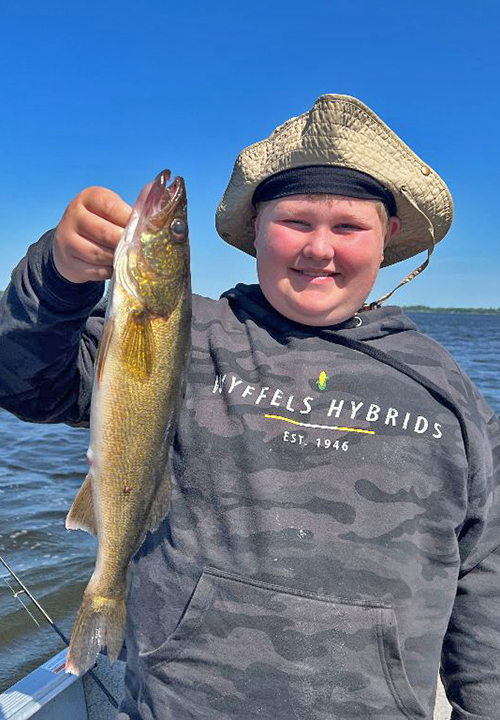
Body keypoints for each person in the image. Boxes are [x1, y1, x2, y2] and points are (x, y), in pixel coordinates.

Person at [0, 94, 498, 720]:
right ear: (255, 228)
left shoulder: (448, 393)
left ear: (388, 236)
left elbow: (486, 575)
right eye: (295, 221)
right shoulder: (189, 334)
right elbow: (24, 381)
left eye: (348, 227)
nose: (321, 249)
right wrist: (59, 275)